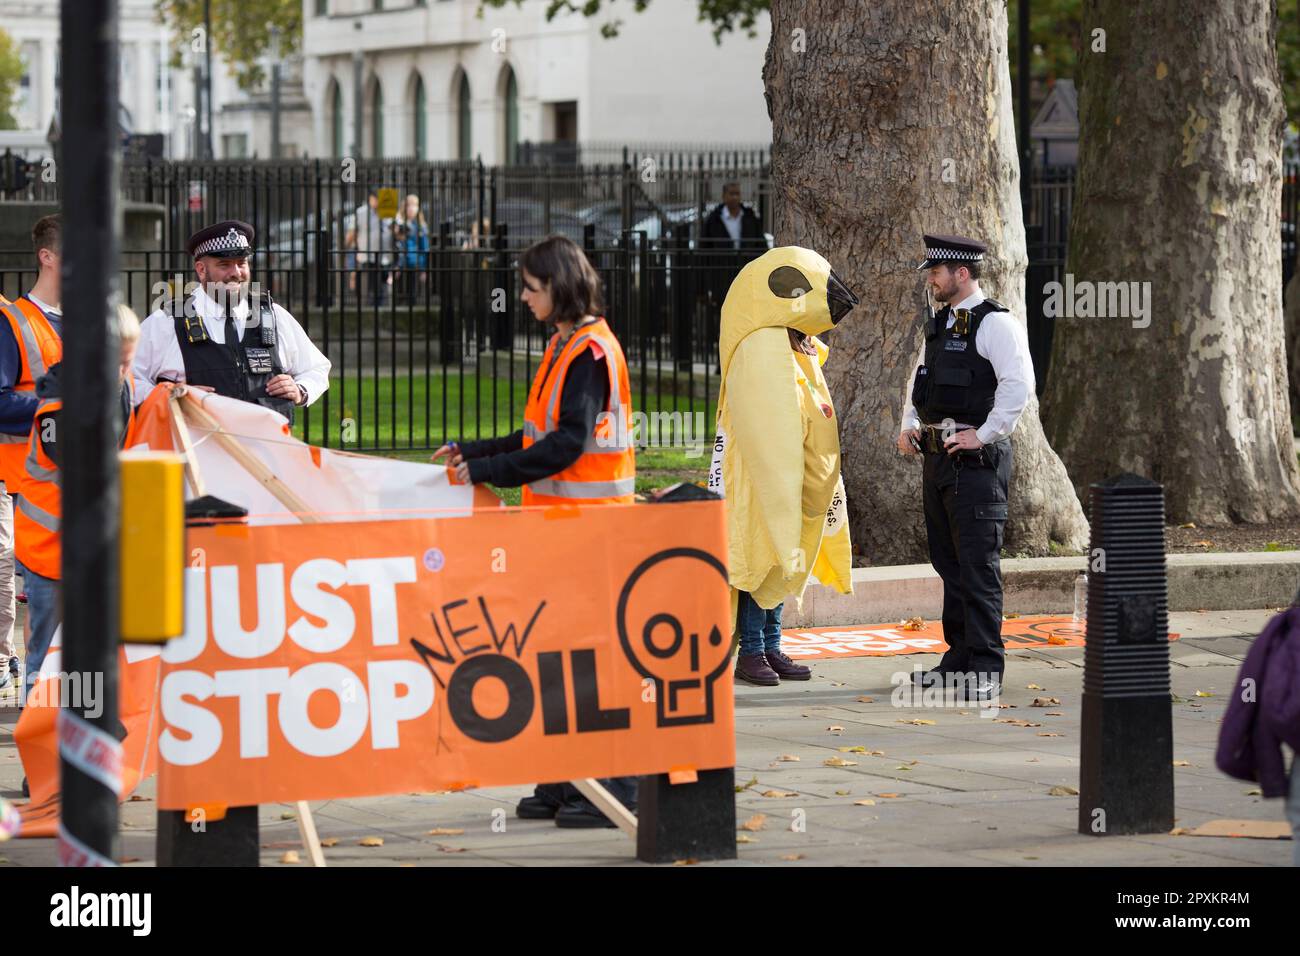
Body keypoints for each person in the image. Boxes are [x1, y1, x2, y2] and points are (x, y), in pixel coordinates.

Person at [431, 234, 636, 827]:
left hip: (589, 534)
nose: (522, 297)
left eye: (531, 287)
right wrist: (474, 452)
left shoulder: (590, 352)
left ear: (560, 288)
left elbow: (567, 445)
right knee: (555, 657)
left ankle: (612, 789)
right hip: (561, 532)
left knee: (588, 664)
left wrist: (487, 470)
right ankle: (564, 781)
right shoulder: (565, 344)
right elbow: (535, 438)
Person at [709, 247, 858, 687]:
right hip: (762, 474)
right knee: (764, 554)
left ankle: (772, 643)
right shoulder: (761, 345)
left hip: (790, 472)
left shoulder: (796, 342)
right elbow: (769, 417)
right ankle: (751, 650)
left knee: (785, 554)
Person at [897, 234, 1034, 702]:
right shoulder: (938, 324)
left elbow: (1019, 385)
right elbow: (920, 381)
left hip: (975, 465)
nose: (930, 280)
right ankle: (958, 659)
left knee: (978, 568)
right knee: (950, 565)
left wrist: (985, 432)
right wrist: (909, 424)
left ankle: (986, 667)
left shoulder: (995, 323)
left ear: (962, 274)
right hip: (938, 463)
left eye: (935, 273)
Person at [14, 304, 141, 705]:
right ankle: (40, 728)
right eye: (115, 364)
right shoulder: (58, 408)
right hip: (51, 551)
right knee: (48, 653)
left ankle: (82, 718)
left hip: (89, 548)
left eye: (127, 363)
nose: (122, 373)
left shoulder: (120, 388)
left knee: (90, 649)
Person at [134, 220, 331, 422]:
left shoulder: (273, 315)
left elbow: (317, 368)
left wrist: (301, 390)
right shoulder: (167, 322)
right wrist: (169, 396)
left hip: (267, 449)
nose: (236, 273)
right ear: (201, 270)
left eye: (241, 263)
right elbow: (127, 381)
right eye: (224, 265)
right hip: (198, 449)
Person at [0, 214, 65, 693]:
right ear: (47, 256)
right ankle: (41, 736)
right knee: (45, 612)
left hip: (84, 493)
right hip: (30, 490)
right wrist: (64, 406)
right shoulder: (12, 322)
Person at [392, 194, 430, 304]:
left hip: (414, 264)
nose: (412, 208)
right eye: (409, 205)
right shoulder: (399, 222)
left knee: (412, 296)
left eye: (415, 205)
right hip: (399, 264)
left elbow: (425, 248)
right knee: (398, 297)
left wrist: (423, 269)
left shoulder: (421, 226)